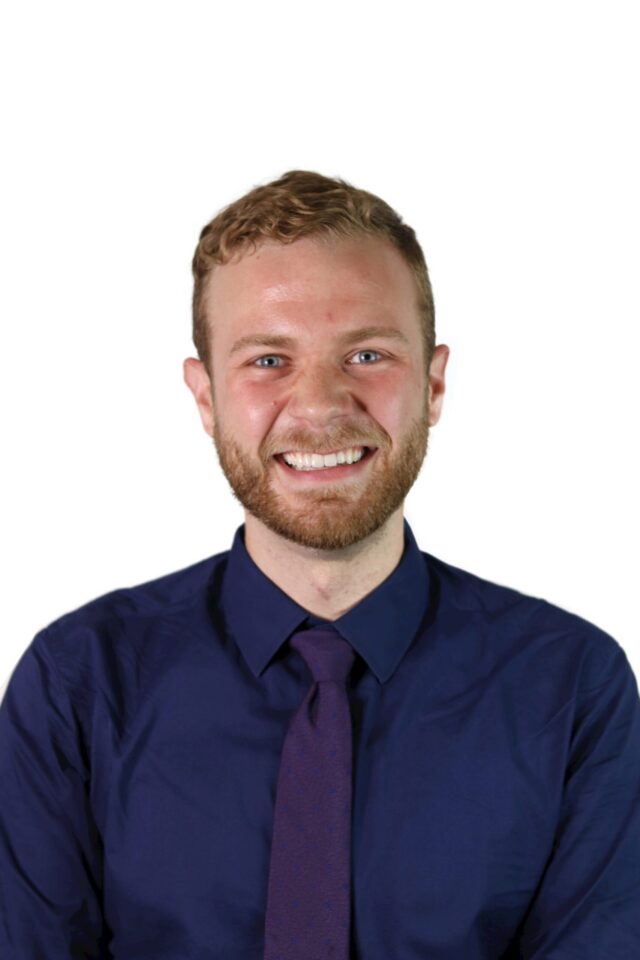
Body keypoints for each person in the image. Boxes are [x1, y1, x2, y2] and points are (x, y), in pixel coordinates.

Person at [1, 170, 638, 960]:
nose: (318, 406)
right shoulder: (77, 685)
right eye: (268, 361)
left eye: (367, 353)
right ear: (205, 398)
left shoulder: (572, 688)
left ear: (434, 383)